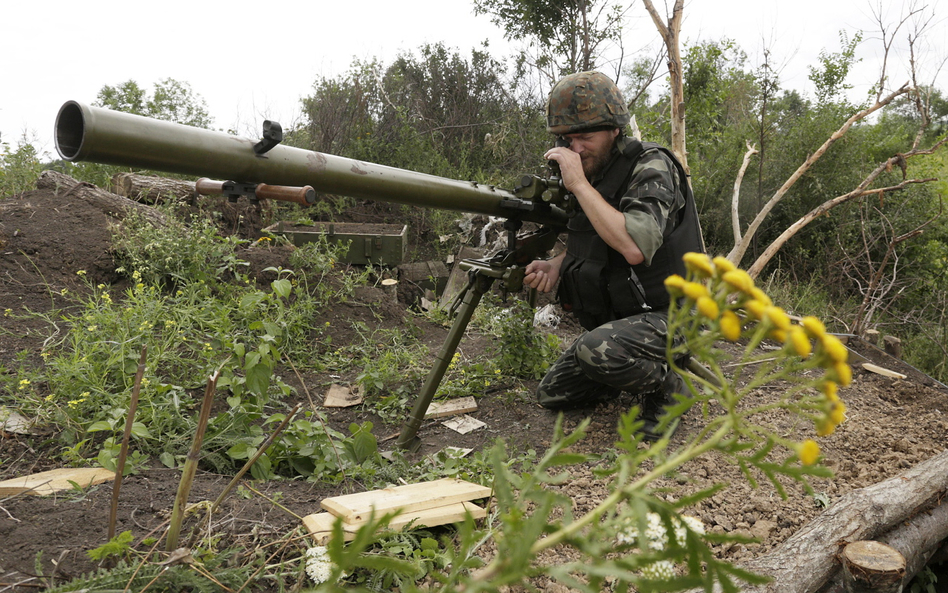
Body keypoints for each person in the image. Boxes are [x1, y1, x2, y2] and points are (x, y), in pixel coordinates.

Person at [524, 70, 704, 440]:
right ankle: (623, 365)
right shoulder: (595, 173)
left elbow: (634, 247)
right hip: (628, 317)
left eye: (585, 138)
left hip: (674, 314)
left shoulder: (652, 165)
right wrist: (557, 264)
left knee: (596, 350)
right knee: (553, 393)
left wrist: (576, 183)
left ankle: (671, 389)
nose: (575, 149)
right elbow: (596, 239)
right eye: (567, 139)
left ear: (615, 130)